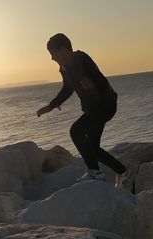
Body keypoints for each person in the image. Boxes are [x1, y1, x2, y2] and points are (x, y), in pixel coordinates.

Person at [36, 33, 131, 189]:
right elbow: (68, 88)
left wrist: (93, 86)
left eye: (53, 53)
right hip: (92, 109)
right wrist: (51, 106)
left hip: (105, 105)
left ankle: (95, 173)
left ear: (64, 49)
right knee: (94, 148)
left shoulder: (81, 59)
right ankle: (123, 172)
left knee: (76, 131)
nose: (52, 58)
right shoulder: (64, 68)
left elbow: (101, 81)